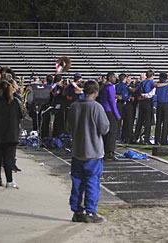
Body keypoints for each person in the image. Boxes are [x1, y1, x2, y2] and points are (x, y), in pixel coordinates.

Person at [66, 80, 109, 223]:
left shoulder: (74, 106)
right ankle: (91, 212)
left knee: (77, 182)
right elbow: (104, 128)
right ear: (96, 93)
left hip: (78, 150)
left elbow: (69, 127)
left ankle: (77, 211)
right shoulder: (97, 107)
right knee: (92, 182)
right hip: (93, 152)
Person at [0, 80, 24, 188]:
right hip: (11, 134)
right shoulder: (15, 102)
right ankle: (9, 181)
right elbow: (22, 115)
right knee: (9, 158)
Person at [97, 72, 121, 161]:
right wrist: (117, 115)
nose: (115, 79)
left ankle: (104, 150)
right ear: (110, 78)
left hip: (104, 110)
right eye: (114, 77)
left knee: (106, 131)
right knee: (113, 132)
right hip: (109, 111)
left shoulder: (103, 86)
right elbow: (112, 102)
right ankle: (109, 151)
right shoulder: (110, 87)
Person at [132, 70, 155, 144]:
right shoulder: (152, 83)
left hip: (141, 102)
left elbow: (136, 90)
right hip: (147, 101)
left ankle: (135, 137)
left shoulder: (142, 82)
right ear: (152, 76)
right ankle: (146, 139)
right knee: (148, 121)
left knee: (140, 120)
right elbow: (152, 93)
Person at [154, 72, 168, 145]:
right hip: (166, 105)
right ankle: (163, 140)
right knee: (165, 123)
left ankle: (157, 139)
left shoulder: (158, 85)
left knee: (158, 122)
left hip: (159, 104)